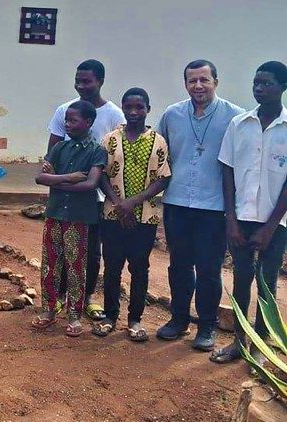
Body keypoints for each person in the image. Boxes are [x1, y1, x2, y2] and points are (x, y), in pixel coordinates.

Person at [156, 60, 245, 351]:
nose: (198, 86)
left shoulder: (235, 117)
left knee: (209, 269)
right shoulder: (172, 114)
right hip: (178, 203)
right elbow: (160, 156)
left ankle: (206, 326)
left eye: (204, 80)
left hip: (213, 207)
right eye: (192, 81)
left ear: (215, 82)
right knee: (179, 265)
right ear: (185, 84)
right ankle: (179, 319)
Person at [211, 61, 287, 365]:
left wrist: (269, 227)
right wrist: (230, 220)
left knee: (267, 280)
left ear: (282, 87)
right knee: (242, 279)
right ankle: (239, 342)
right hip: (240, 219)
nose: (259, 88)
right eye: (256, 83)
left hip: (277, 221)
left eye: (266, 83)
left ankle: (262, 343)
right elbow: (227, 172)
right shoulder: (239, 124)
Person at [43, 59, 126, 320]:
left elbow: (118, 152)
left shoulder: (113, 114)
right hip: (66, 194)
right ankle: (62, 299)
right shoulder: (64, 110)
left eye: (87, 81)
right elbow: (51, 152)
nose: (81, 85)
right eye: (78, 80)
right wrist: (61, 179)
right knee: (61, 250)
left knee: (89, 251)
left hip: (99, 195)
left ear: (100, 81)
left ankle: (86, 299)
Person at [93, 88, 171, 342]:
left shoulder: (158, 141)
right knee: (113, 267)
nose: (134, 112)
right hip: (112, 215)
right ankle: (110, 316)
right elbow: (102, 174)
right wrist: (119, 204)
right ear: (123, 108)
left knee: (140, 268)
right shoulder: (110, 140)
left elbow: (163, 179)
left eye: (140, 107)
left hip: (144, 217)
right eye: (129, 107)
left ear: (149, 109)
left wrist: (133, 203)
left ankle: (135, 319)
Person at [33, 100, 107, 337]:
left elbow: (91, 184)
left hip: (79, 218)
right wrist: (70, 178)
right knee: (50, 264)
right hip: (55, 213)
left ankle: (74, 314)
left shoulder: (97, 151)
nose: (67, 124)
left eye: (73, 120)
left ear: (88, 122)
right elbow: (40, 178)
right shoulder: (58, 149)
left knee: (76, 267)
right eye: (66, 119)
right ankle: (48, 310)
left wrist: (58, 182)